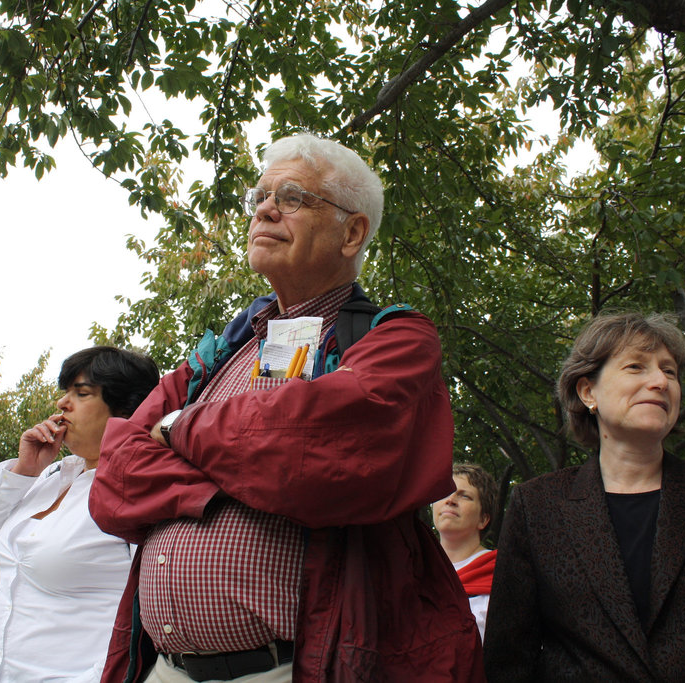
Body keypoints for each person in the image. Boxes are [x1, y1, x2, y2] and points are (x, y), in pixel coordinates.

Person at [90, 133, 484, 683]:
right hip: (163, 669)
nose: (266, 209)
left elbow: (319, 455)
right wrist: (237, 474)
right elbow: (113, 480)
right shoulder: (217, 353)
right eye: (261, 197)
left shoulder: (397, 339)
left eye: (294, 197)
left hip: (297, 668)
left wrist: (179, 427)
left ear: (352, 232)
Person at [484, 311, 685, 681]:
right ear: (588, 392)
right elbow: (508, 661)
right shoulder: (537, 507)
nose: (659, 381)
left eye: (669, 371)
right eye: (636, 366)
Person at [0, 346, 159, 683]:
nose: (62, 404)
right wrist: (23, 472)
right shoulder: (51, 477)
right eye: (65, 392)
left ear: (126, 408)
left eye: (81, 393)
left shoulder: (136, 490)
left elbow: (149, 611)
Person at [433, 463, 498, 640]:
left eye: (465, 496)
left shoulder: (502, 574)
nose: (450, 500)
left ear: (483, 519)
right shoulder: (415, 573)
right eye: (444, 493)